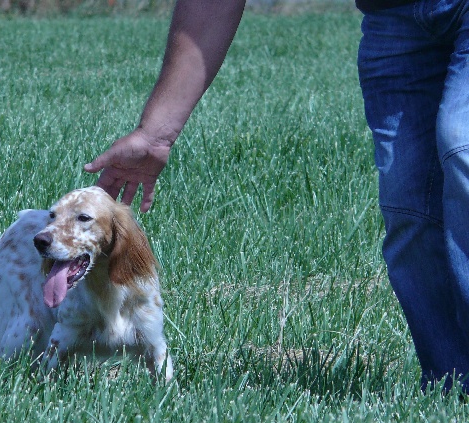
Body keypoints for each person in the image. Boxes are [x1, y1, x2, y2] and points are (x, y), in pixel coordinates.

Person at [84, 0, 469, 392]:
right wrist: (155, 133)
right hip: (396, 16)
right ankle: (452, 387)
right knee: (411, 208)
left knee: (462, 146)